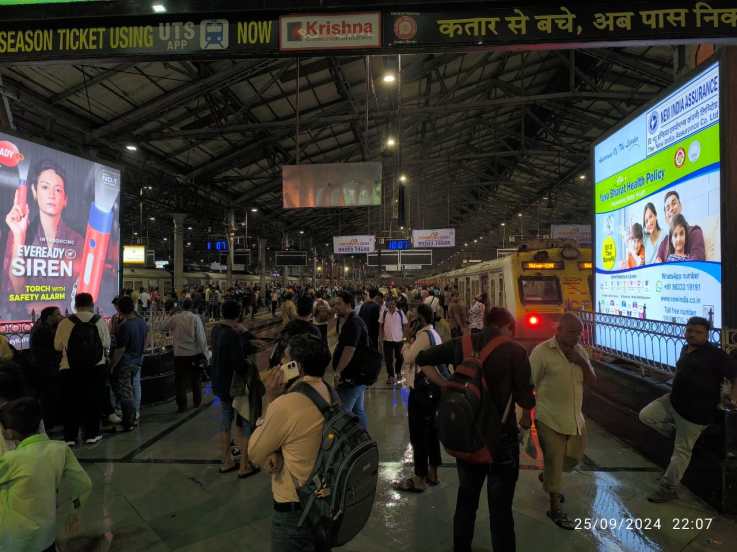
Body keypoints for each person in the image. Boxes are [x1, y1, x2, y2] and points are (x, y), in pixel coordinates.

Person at [416, 307, 535, 552]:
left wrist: (446, 384)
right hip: (501, 441)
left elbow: (422, 358)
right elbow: (526, 400)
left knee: (466, 500)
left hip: (467, 437)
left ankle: (461, 547)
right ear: (508, 326)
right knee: (500, 509)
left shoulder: (464, 343)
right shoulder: (515, 351)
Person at [249, 334, 334, 552]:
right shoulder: (329, 392)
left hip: (295, 509)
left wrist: (271, 398)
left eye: (285, 360)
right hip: (324, 503)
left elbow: (255, 453)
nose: (280, 364)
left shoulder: (286, 404)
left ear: (298, 367)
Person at [639, 317, 737, 502]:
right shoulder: (686, 349)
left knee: (681, 452)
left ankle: (668, 488)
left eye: (698, 332)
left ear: (707, 335)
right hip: (673, 402)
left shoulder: (715, 355)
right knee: (646, 416)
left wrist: (733, 398)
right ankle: (681, 437)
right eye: (690, 330)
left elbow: (735, 375)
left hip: (695, 413)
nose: (692, 334)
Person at [528, 313, 596, 530]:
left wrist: (581, 362)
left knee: (573, 458)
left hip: (575, 419)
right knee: (555, 462)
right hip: (549, 417)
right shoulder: (542, 352)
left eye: (579, 333)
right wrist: (523, 414)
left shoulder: (580, 352)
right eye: (571, 332)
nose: (576, 337)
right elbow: (529, 383)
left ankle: (548, 476)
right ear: (558, 330)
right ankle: (555, 508)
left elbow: (593, 381)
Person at [0, 397, 92, 552]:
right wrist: (74, 511)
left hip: (15, 540)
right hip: (46, 534)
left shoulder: (10, 460)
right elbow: (84, 484)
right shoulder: (60, 449)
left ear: (9, 433)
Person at [3, 161, 84, 318]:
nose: (51, 195)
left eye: (58, 190)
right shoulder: (18, 235)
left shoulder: (77, 241)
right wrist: (19, 235)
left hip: (65, 321)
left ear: (65, 199)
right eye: (45, 187)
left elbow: (77, 296)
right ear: (34, 191)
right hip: (27, 322)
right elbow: (16, 293)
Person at [392, 304, 447, 493]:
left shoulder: (423, 336)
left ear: (420, 320)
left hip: (423, 392)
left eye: (413, 318)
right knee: (431, 433)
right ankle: (432, 473)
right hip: (431, 391)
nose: (410, 321)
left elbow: (408, 357)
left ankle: (419, 478)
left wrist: (406, 339)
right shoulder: (434, 334)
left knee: (419, 435)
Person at [211, 300, 261, 478]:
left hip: (219, 385)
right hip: (235, 387)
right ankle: (244, 466)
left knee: (225, 423)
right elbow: (239, 364)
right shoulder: (231, 335)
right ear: (238, 314)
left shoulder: (216, 330)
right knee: (245, 422)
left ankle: (226, 461)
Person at [54, 292, 110, 446]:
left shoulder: (65, 322)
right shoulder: (99, 321)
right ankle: (91, 434)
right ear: (92, 304)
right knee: (93, 400)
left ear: (76, 305)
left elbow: (57, 346)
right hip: (96, 367)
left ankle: (70, 437)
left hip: (69, 368)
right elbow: (106, 344)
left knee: (70, 403)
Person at [109, 295, 148, 431]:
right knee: (132, 389)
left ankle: (128, 422)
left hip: (126, 363)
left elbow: (120, 350)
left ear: (120, 309)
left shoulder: (125, 326)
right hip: (137, 361)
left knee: (126, 393)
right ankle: (133, 417)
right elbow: (145, 342)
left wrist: (112, 365)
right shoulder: (142, 322)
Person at [162, 298, 209, 412]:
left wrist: (169, 315)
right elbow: (201, 338)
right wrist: (206, 354)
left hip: (179, 355)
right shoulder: (195, 318)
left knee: (180, 381)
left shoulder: (175, 318)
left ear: (182, 306)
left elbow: (162, 327)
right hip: (194, 354)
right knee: (196, 379)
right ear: (192, 307)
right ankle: (197, 402)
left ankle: (182, 406)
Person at [332, 290, 369, 430]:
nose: (336, 307)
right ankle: (363, 439)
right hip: (358, 376)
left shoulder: (353, 323)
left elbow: (349, 350)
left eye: (339, 304)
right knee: (358, 410)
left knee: (342, 412)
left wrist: (338, 372)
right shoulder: (352, 321)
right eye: (335, 304)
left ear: (348, 304)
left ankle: (352, 443)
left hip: (352, 378)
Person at [29, 306, 63, 429]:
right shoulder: (43, 330)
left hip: (47, 368)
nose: (61, 317)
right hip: (46, 369)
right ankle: (49, 422)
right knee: (49, 397)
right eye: (57, 314)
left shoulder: (43, 327)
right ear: (49, 317)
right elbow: (56, 347)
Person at [270, 296, 322, 368]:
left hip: (287, 368)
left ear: (297, 309)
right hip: (304, 370)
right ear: (311, 311)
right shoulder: (314, 330)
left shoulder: (289, 326)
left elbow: (279, 348)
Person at [655, 190, 705, 262]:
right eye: (667, 208)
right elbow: (657, 265)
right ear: (666, 217)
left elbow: (697, 263)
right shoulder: (664, 242)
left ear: (680, 206)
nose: (671, 209)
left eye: (674, 203)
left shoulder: (695, 232)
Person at [378, 299, 408, 385]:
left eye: (393, 304)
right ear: (387, 305)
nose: (391, 306)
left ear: (395, 304)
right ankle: (391, 376)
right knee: (388, 359)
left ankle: (398, 372)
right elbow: (380, 326)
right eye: (389, 304)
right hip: (387, 340)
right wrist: (380, 338)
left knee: (399, 357)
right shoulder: (384, 313)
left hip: (399, 340)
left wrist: (405, 337)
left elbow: (405, 324)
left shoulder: (400, 313)